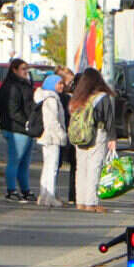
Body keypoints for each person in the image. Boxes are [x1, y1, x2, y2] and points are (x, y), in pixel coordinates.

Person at [68, 67, 116, 212]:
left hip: (79, 136)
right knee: (94, 168)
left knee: (81, 168)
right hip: (97, 134)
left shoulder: (77, 97)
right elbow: (108, 119)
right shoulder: (101, 97)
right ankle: (92, 202)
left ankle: (80, 201)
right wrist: (112, 138)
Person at [0, 58, 36, 202]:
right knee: (15, 160)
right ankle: (11, 189)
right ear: (14, 70)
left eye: (27, 69)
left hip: (24, 129)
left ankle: (25, 190)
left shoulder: (23, 84)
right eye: (23, 69)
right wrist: (27, 122)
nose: (26, 72)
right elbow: (12, 111)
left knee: (24, 162)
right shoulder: (12, 87)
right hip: (16, 128)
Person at [34, 74, 67, 207]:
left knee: (47, 166)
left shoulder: (45, 97)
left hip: (45, 136)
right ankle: (50, 195)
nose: (62, 86)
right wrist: (62, 134)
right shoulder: (52, 99)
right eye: (59, 83)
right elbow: (53, 121)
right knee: (51, 167)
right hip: (52, 137)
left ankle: (44, 195)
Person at [54, 66, 78, 203]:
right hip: (61, 133)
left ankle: (72, 196)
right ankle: (53, 193)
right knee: (55, 165)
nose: (69, 84)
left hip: (71, 133)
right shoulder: (57, 97)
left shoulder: (71, 95)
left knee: (74, 164)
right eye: (66, 81)